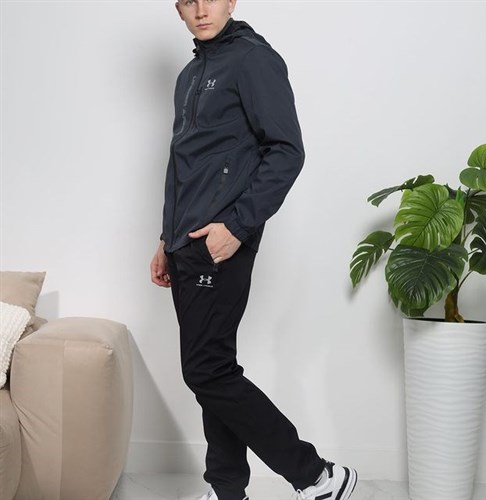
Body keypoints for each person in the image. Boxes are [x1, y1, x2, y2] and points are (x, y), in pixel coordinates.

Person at [150, 1, 358, 499]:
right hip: (185, 243)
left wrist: (237, 227)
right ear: (178, 8)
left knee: (206, 371)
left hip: (221, 242)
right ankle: (227, 490)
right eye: (188, 1)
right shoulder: (190, 75)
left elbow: (287, 151)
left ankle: (317, 476)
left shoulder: (253, 59)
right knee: (214, 369)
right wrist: (164, 238)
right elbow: (184, 163)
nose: (200, 10)